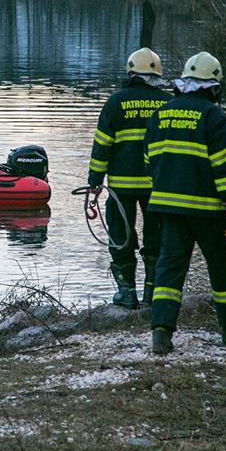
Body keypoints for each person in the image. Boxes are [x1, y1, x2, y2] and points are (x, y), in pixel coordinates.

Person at [145, 52, 226, 355]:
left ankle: (161, 331)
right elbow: (224, 168)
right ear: (213, 87)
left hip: (168, 208)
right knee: (221, 268)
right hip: (208, 210)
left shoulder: (160, 113)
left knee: (169, 269)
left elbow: (149, 161)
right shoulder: (212, 116)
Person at [87, 47, 172, 309]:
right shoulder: (168, 103)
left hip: (121, 187)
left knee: (120, 237)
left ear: (131, 73)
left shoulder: (116, 102)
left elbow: (102, 145)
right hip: (158, 186)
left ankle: (127, 293)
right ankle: (152, 293)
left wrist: (94, 182)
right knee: (157, 237)